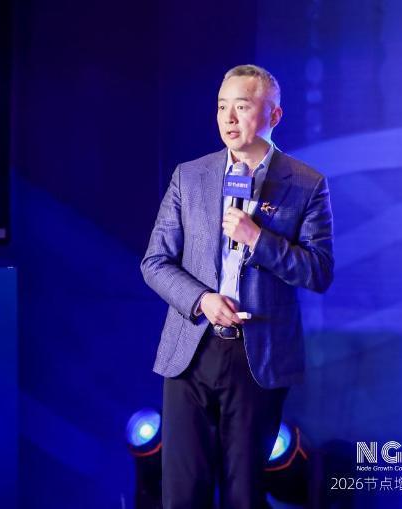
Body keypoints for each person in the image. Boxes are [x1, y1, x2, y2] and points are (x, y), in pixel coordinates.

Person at [140, 64, 334, 508]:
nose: (228, 118)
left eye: (241, 107)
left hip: (258, 356)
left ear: (274, 115)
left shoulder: (306, 184)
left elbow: (318, 270)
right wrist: (202, 300)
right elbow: (154, 262)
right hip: (191, 350)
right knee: (182, 493)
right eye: (221, 107)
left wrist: (258, 239)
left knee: (243, 494)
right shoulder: (190, 176)